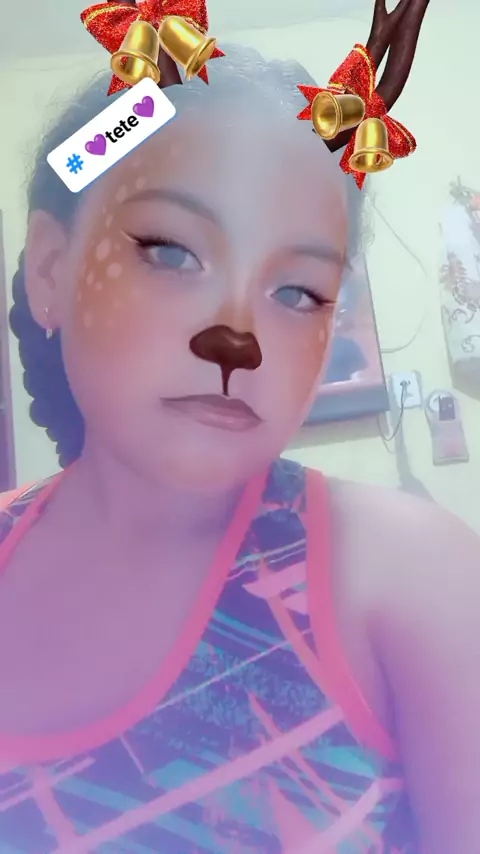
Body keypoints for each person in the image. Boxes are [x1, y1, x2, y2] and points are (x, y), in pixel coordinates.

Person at [0, 45, 479, 854]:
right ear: (51, 268)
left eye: (299, 291)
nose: (238, 339)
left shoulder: (414, 576)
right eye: (171, 251)